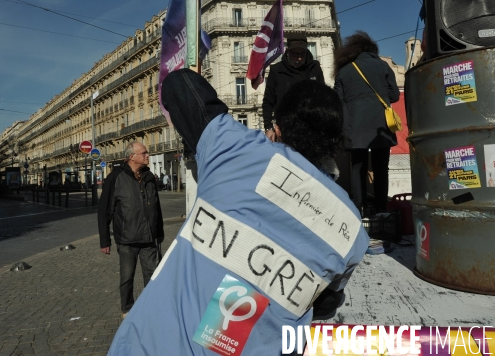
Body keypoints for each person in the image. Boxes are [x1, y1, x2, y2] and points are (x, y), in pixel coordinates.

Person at [108, 69, 368, 355]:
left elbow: (178, 84)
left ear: (278, 128)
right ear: (335, 140)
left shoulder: (236, 148)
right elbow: (326, 304)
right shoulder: (352, 227)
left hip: (152, 344)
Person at [333, 31, 400, 216]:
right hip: (381, 126)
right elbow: (394, 95)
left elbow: (336, 101)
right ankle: (381, 208)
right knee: (380, 168)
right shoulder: (382, 66)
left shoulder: (344, 71)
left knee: (358, 166)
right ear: (372, 50)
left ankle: (359, 208)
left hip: (354, 126)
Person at [97, 142, 164, 318]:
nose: (147, 155)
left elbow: (156, 207)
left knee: (152, 274)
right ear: (132, 156)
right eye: (144, 153)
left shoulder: (149, 177)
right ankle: (127, 308)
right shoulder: (115, 178)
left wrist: (159, 232)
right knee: (127, 277)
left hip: (149, 237)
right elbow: (104, 211)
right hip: (127, 238)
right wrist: (105, 240)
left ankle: (151, 306)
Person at [262, 34, 325, 141]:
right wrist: (268, 127)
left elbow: (323, 98)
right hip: (285, 129)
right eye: (295, 54)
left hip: (311, 129)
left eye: (302, 54)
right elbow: (268, 101)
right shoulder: (276, 70)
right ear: (288, 51)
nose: (299, 58)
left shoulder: (315, 68)